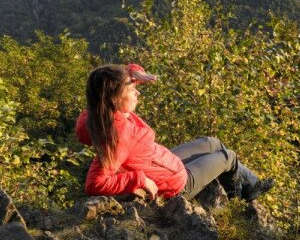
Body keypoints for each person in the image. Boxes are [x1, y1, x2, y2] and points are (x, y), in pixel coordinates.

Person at [75, 63, 275, 202]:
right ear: (114, 99)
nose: (137, 91)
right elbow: (95, 184)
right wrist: (139, 179)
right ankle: (241, 198)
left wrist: (131, 72)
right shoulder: (118, 137)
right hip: (177, 184)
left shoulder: (97, 115)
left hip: (162, 161)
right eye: (131, 89)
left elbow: (104, 86)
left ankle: (251, 185)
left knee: (211, 142)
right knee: (228, 157)